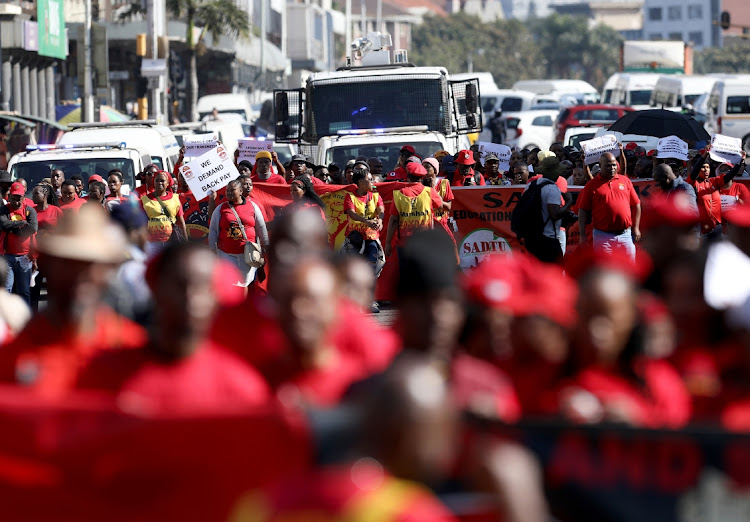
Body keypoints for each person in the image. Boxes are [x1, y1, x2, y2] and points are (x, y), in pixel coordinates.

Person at [231, 355, 460, 521]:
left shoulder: (262, 507)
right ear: (407, 433)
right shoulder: (411, 514)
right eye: (441, 428)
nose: (447, 448)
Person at [76, 242, 271, 416]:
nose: (190, 298)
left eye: (202, 286)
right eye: (179, 285)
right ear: (155, 286)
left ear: (217, 298)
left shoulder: (241, 388)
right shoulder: (103, 375)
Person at [0, 204, 146, 397]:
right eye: (68, 263)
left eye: (90, 264)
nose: (80, 275)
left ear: (108, 270)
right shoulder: (13, 358)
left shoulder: (133, 350)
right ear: (48, 264)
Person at [578, 152, 641, 259]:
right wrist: (582, 235)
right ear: (600, 165)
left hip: (625, 235)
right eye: (608, 165)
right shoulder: (592, 185)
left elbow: (636, 204)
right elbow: (583, 210)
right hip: (603, 236)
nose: (612, 168)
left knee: (630, 270)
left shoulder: (625, 181)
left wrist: (636, 227)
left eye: (614, 165)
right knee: (605, 269)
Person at [209, 178, 269, 289]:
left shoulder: (253, 207)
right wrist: (212, 248)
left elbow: (261, 227)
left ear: (241, 191)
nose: (229, 193)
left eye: (232, 190)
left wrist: (266, 244)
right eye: (227, 191)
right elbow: (213, 229)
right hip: (226, 254)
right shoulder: (220, 209)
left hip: (247, 254)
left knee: (243, 285)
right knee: (230, 284)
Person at [384, 162, 444, 259]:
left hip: (405, 243)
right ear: (422, 177)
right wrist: (432, 187)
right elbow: (440, 204)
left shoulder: (399, 194)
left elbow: (394, 220)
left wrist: (388, 243)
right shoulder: (429, 191)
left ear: (407, 176)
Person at [521, 157, 572, 264]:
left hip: (532, 236)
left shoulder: (531, 184)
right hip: (549, 237)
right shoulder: (552, 189)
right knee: (555, 273)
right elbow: (554, 214)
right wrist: (568, 203)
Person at [688, 149, 746, 240]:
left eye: (708, 167)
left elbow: (730, 175)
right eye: (703, 167)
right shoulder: (693, 184)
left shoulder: (714, 182)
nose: (706, 170)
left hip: (717, 228)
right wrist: (704, 156)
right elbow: (693, 173)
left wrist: (740, 161)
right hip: (701, 231)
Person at [0, 182, 37, 305]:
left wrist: (13, 229)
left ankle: (25, 320)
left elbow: (32, 228)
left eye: (19, 199)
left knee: (24, 291)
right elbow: (4, 224)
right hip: (7, 257)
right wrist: (22, 224)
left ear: (24, 197)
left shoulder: (29, 210)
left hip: (25, 257)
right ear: (9, 197)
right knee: (6, 290)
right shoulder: (3, 210)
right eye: (14, 199)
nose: (17, 202)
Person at [343, 168, 384, 274]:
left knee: (372, 263)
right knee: (354, 267)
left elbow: (381, 209)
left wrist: (380, 220)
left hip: (371, 237)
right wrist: (366, 222)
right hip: (355, 238)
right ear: (360, 182)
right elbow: (352, 214)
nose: (373, 182)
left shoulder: (375, 196)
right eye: (370, 179)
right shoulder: (350, 197)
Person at [140, 170, 187, 257]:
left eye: (162, 181)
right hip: (152, 243)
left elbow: (181, 221)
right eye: (157, 180)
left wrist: (186, 242)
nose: (159, 183)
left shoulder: (175, 199)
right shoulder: (144, 200)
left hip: (171, 241)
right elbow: (140, 222)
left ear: (168, 182)